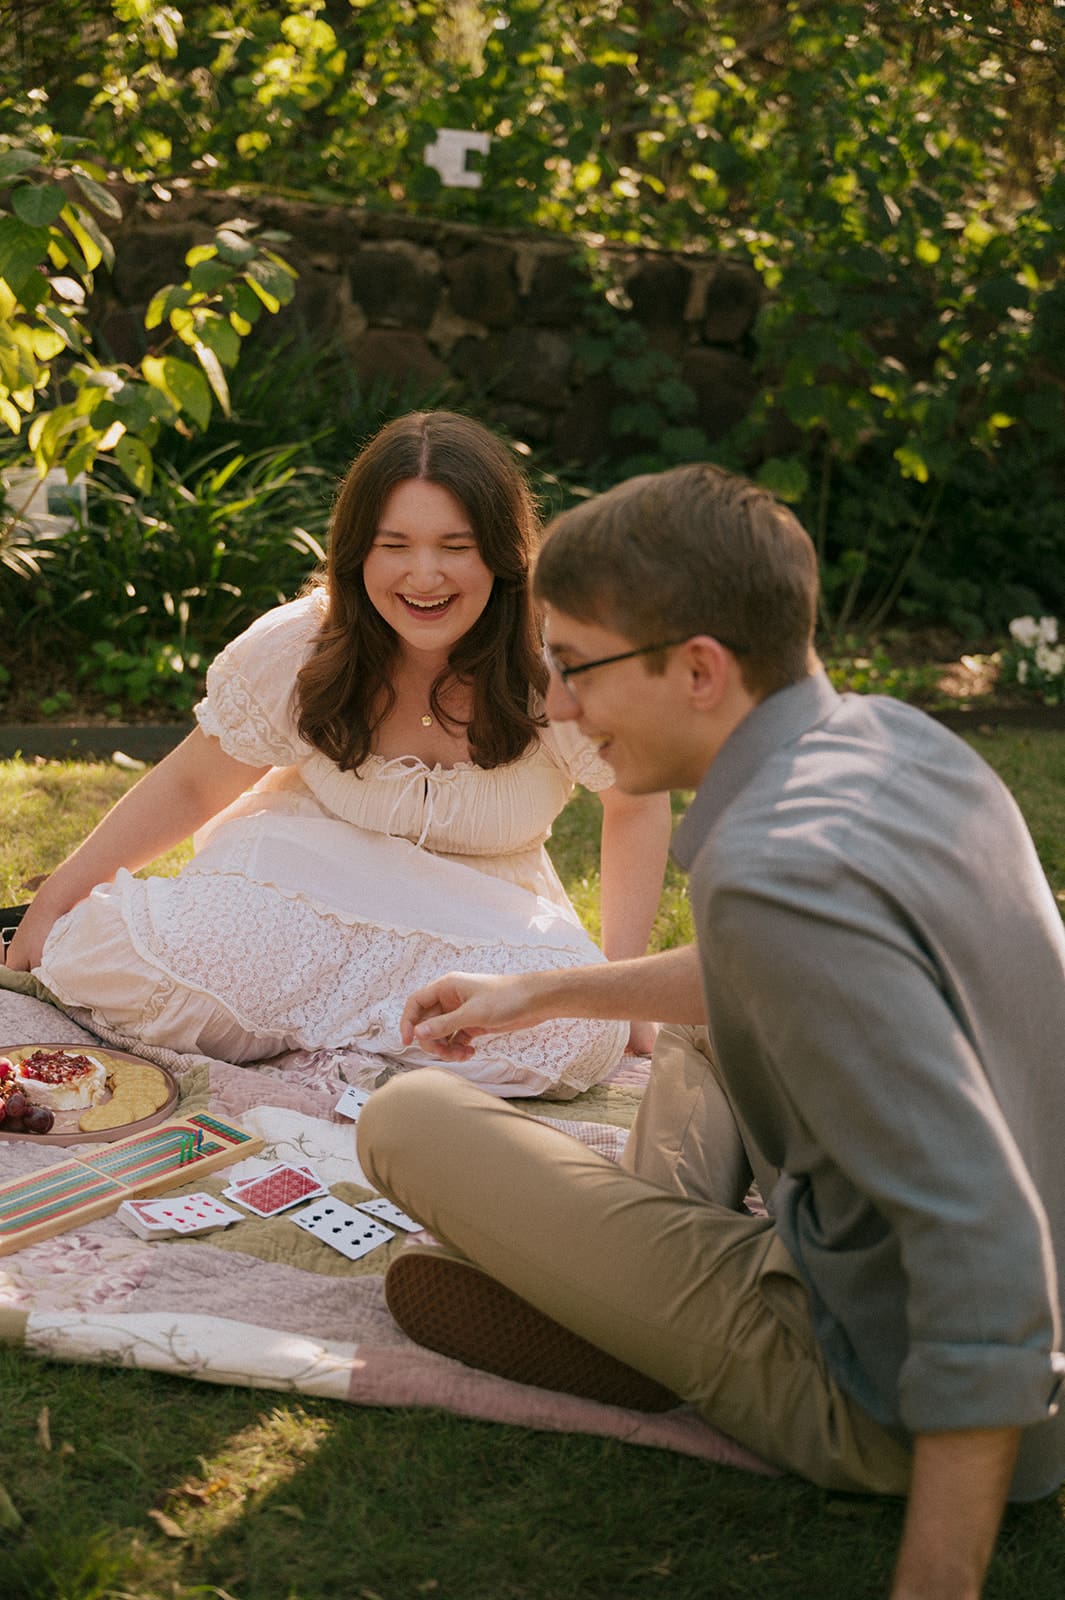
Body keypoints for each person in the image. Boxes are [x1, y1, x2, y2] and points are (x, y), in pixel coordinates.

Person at [355, 463, 1065, 1599]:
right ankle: (623, 1287)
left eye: (577, 666)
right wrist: (541, 992)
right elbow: (793, 970)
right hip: (980, 1327)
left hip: (880, 1396)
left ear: (699, 669)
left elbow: (982, 1236)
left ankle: (623, 1319)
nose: (557, 707)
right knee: (690, 1035)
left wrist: (937, 1580)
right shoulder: (901, 745)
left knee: (407, 1116)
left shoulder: (768, 868)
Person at [4, 411, 671, 1097]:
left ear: (501, 554)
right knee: (99, 952)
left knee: (583, 1035)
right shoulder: (303, 645)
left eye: (454, 545)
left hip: (480, 923)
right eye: (395, 545)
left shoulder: (555, 657)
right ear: (358, 553)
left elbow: (634, 806)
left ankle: (312, 1045)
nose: (424, 575)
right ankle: (371, 1047)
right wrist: (56, 897)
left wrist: (623, 988)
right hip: (304, 897)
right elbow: (191, 787)